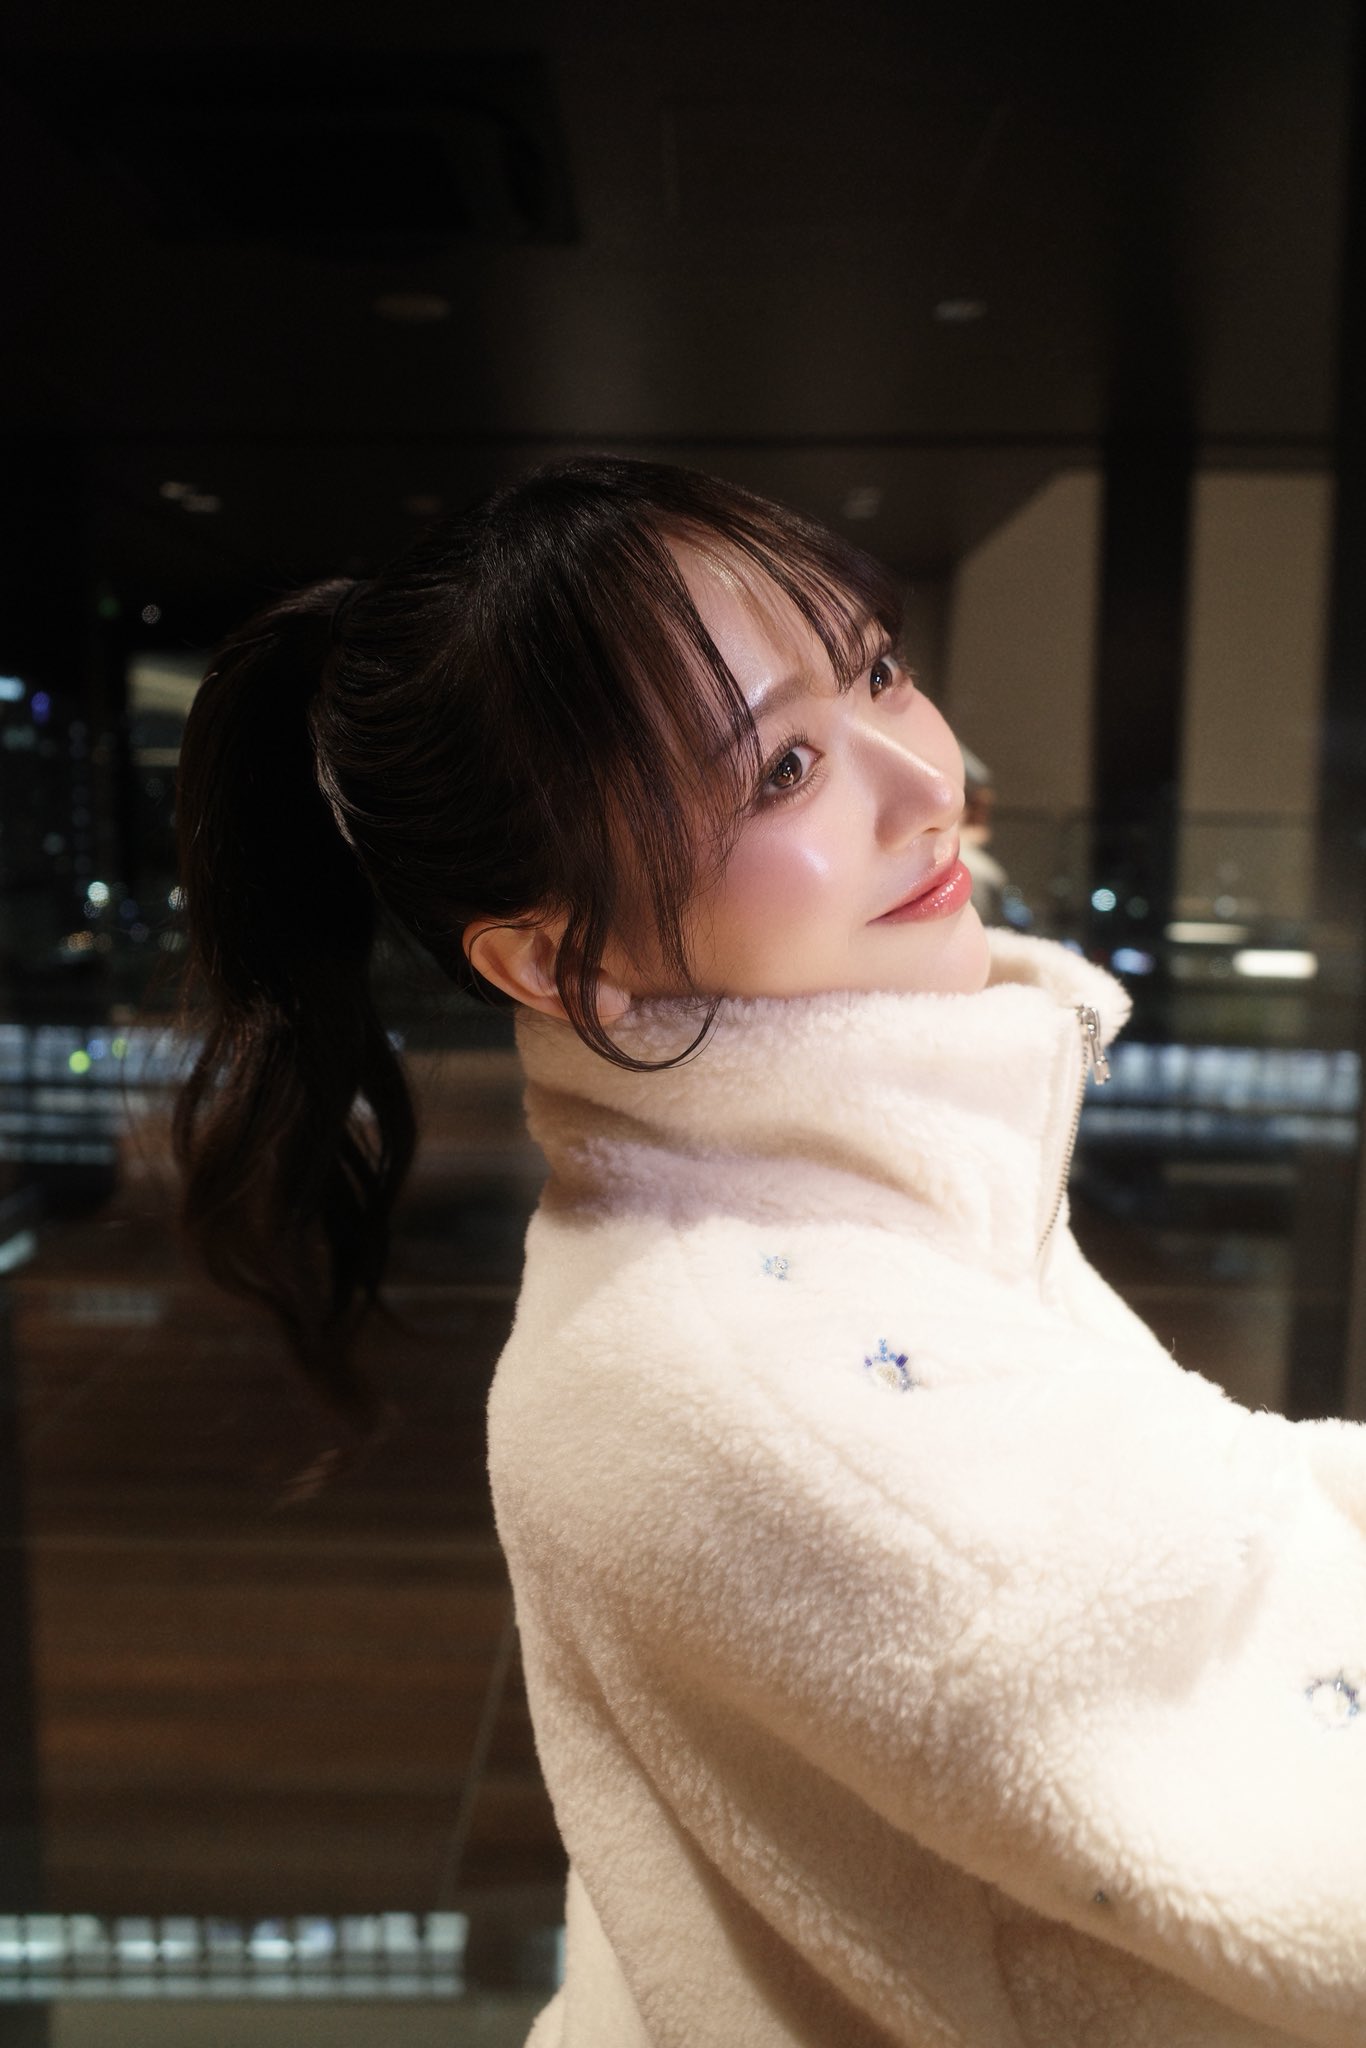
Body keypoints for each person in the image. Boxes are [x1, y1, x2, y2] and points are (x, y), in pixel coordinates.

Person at [173, 456, 1366, 2048]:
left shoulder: (865, 1191)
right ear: (555, 957)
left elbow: (1224, 1510)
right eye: (783, 768)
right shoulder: (763, 1376)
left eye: (876, 669)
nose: (925, 778)